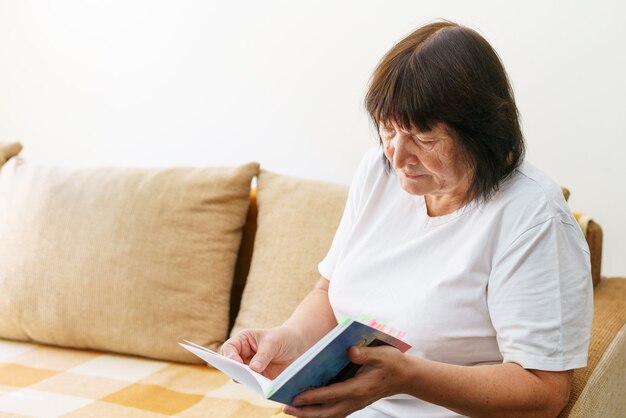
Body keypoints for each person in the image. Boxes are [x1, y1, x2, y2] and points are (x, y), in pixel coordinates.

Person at [221, 21, 593, 418]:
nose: (397, 156)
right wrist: (288, 339)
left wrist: (409, 377)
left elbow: (543, 393)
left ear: (482, 133)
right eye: (388, 129)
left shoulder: (533, 216)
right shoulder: (378, 171)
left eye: (423, 138)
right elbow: (328, 292)